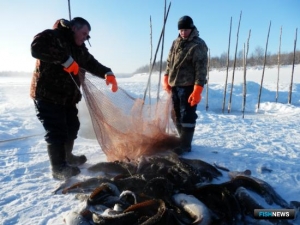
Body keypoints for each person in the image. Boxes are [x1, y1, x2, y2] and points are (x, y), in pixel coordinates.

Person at [30, 17, 118, 180]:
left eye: (87, 35)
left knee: (72, 126)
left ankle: (67, 156)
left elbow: (91, 63)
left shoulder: (79, 48)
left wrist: (107, 72)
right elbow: (36, 48)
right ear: (74, 29)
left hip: (67, 98)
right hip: (47, 95)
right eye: (84, 33)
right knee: (56, 130)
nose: (85, 37)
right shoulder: (52, 36)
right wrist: (65, 60)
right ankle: (58, 168)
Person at [163, 15, 208, 154]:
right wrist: (166, 77)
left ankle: (185, 145)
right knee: (176, 113)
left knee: (187, 114)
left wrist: (197, 89)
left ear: (192, 28)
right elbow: (169, 62)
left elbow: (201, 69)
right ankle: (182, 139)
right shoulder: (176, 42)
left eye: (186, 29)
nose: (183, 32)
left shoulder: (198, 45)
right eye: (181, 30)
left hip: (188, 85)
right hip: (175, 85)